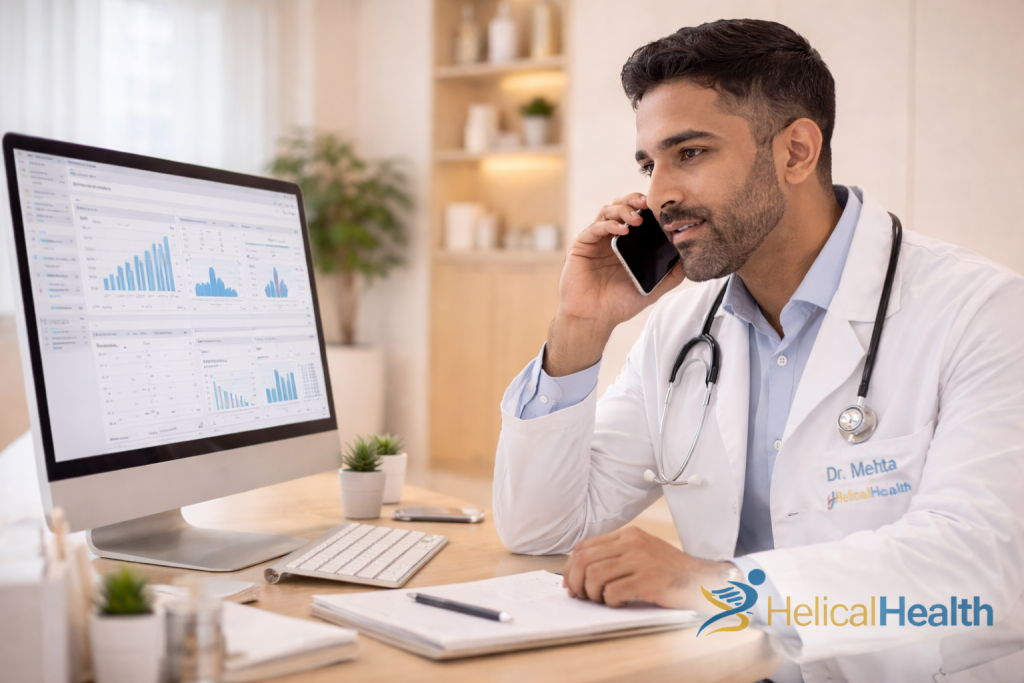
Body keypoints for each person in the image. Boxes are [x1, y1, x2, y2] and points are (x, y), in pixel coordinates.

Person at [492, 18, 1024, 683]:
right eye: (649, 162)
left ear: (797, 151)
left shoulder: (983, 312)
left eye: (690, 153)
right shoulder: (682, 331)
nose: (659, 194)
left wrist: (720, 585)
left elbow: (983, 569)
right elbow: (543, 530)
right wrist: (578, 326)